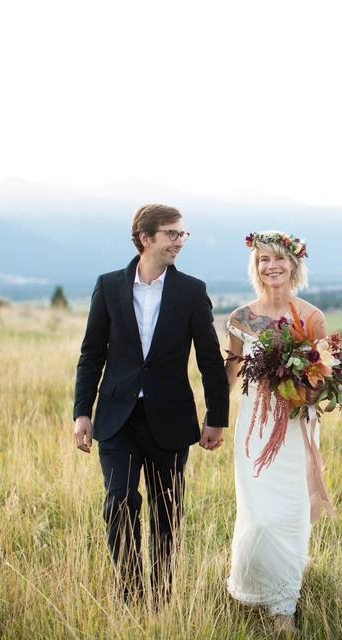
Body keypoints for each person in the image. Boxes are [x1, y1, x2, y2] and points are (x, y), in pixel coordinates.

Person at [72, 204, 229, 605]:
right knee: (119, 502)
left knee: (167, 515)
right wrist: (81, 412)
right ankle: (130, 594)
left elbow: (209, 358)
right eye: (172, 234)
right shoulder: (108, 286)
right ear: (146, 238)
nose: (180, 241)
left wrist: (216, 417)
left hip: (171, 421)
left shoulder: (191, 291)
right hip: (117, 418)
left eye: (183, 235)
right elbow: (92, 353)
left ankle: (159, 599)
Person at [225, 231, 332, 634]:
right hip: (255, 427)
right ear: (255, 268)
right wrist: (212, 417)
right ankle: (253, 587)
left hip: (295, 425)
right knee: (259, 515)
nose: (271, 266)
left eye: (279, 259)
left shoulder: (312, 316)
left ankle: (283, 606)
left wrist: (311, 387)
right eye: (263, 260)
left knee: (290, 515)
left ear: (294, 265)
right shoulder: (240, 318)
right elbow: (231, 375)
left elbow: (323, 374)